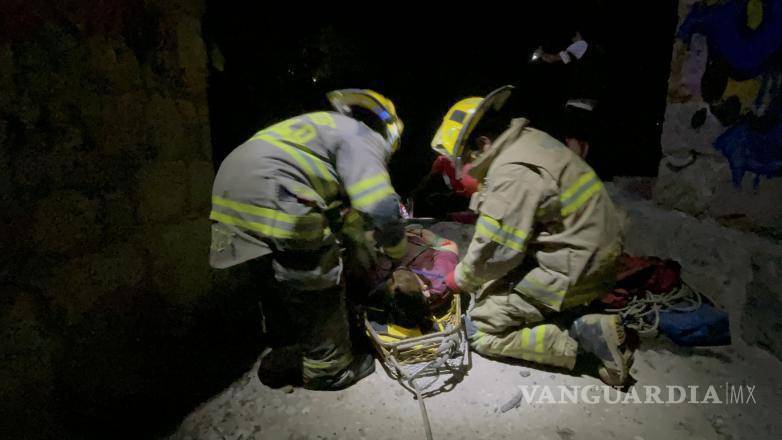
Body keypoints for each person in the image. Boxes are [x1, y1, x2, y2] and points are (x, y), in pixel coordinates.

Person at [208, 89, 408, 391]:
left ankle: (292, 341)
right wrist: (396, 252)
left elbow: (330, 202)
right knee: (317, 277)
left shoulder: (324, 126)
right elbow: (380, 207)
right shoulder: (366, 139)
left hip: (231, 182)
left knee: (281, 270)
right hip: (275, 189)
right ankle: (329, 369)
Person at [435, 86, 632, 386]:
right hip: (588, 251)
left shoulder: (512, 172)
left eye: (466, 158)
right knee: (490, 288)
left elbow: (496, 252)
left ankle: (583, 344)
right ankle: (575, 317)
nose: (466, 166)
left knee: (479, 328)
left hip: (576, 268)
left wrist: (453, 282)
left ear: (483, 143)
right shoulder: (529, 141)